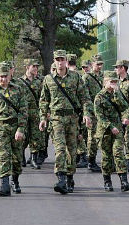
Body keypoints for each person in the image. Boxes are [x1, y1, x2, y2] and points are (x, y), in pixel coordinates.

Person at [39, 49, 93, 194]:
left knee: (72, 151)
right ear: (54, 61)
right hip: (56, 119)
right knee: (60, 149)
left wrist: (87, 114)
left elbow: (85, 98)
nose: (60, 62)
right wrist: (43, 118)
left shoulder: (75, 77)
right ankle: (61, 178)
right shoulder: (48, 79)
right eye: (57, 59)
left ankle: (70, 176)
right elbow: (44, 100)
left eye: (62, 59)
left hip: (72, 119)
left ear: (66, 61)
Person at [0, 63, 28, 196]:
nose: (4, 79)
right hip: (1, 127)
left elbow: (23, 111)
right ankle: (4, 185)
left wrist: (21, 129)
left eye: (6, 76)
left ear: (10, 76)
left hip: (16, 127)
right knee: (3, 156)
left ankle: (15, 181)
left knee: (16, 158)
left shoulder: (18, 90)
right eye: (1, 76)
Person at [94, 70, 129, 192]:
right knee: (106, 156)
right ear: (105, 82)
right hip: (105, 131)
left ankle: (124, 181)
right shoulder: (99, 97)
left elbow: (124, 107)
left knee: (118, 153)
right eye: (111, 81)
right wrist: (111, 127)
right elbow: (99, 116)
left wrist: (117, 94)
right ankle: (107, 181)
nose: (113, 84)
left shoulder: (118, 94)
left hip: (118, 129)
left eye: (115, 81)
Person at [19, 59, 44, 169]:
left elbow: (42, 98)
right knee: (23, 136)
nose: (35, 68)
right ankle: (22, 157)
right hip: (23, 113)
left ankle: (34, 159)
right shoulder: (19, 82)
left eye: (37, 66)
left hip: (35, 113)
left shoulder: (39, 82)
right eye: (33, 66)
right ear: (27, 67)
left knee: (35, 136)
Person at [114, 60, 129, 172]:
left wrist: (128, 117)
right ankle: (118, 160)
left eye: (117, 67)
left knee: (128, 138)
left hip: (127, 115)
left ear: (123, 68)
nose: (115, 69)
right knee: (118, 138)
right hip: (117, 115)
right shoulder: (116, 81)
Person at [82, 54, 104, 172]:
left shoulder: (103, 76)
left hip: (102, 111)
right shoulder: (87, 77)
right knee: (92, 137)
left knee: (103, 136)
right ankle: (91, 160)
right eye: (97, 64)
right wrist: (87, 113)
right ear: (91, 65)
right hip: (91, 111)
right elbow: (84, 96)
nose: (99, 66)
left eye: (101, 64)